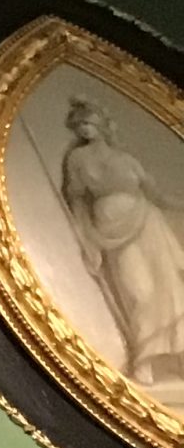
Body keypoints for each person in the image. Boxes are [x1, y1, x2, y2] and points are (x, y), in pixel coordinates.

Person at [60, 92, 184, 386]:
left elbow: (158, 196)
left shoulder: (126, 160)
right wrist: (87, 239)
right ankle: (144, 359)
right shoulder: (77, 159)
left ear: (102, 125)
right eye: (80, 125)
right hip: (110, 232)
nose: (84, 129)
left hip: (148, 224)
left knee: (170, 291)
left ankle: (178, 357)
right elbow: (76, 199)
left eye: (89, 123)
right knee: (139, 293)